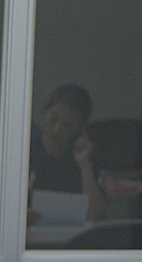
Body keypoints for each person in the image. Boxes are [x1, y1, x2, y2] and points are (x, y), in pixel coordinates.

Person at [28, 84, 106, 221]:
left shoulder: (84, 157)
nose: (57, 129)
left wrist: (84, 164)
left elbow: (95, 213)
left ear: (79, 128)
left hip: (72, 236)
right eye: (54, 119)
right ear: (45, 113)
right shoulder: (29, 152)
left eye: (67, 125)